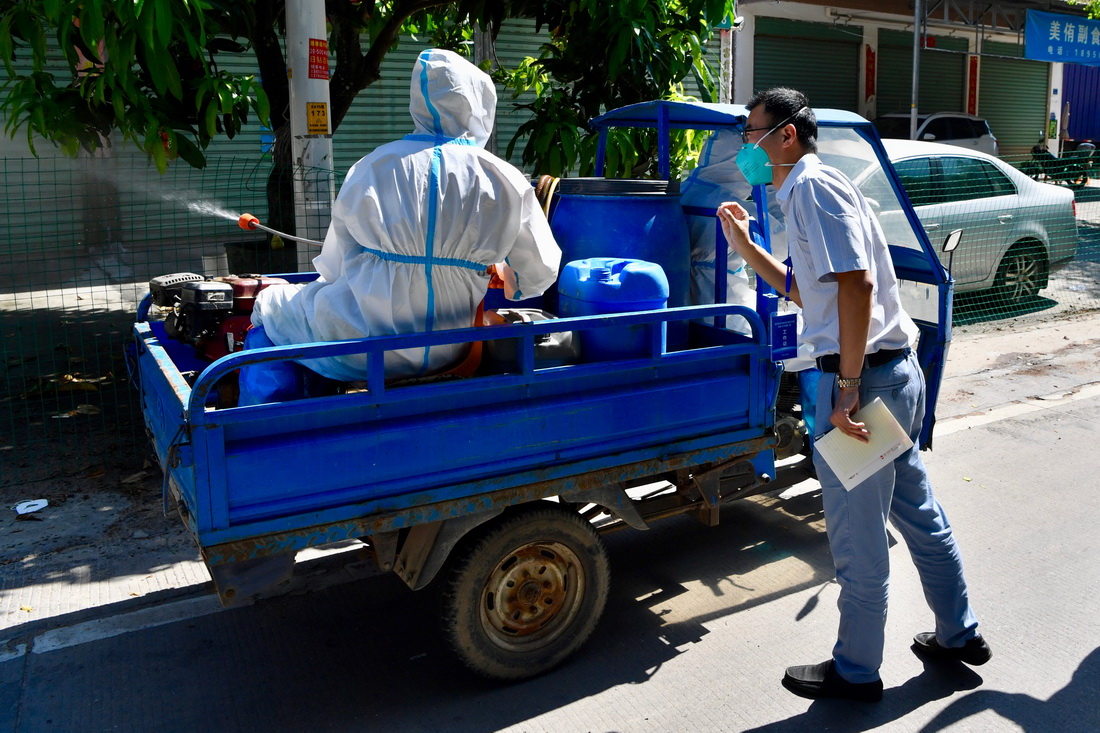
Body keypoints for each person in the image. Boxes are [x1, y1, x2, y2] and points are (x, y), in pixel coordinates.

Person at [717, 87, 990, 703]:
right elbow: (806, 289)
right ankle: (960, 632)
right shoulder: (813, 189)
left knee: (857, 536)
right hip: (885, 377)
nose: (746, 146)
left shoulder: (813, 188)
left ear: (786, 134)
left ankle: (856, 671)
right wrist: (744, 248)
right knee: (917, 512)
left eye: (751, 132)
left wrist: (843, 387)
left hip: (863, 385)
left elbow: (856, 286)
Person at [247, 48, 561, 391]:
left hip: (360, 349)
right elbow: (540, 272)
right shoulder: (504, 178)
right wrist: (508, 278)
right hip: (452, 352)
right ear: (480, 105)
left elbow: (334, 269)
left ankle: (252, 427)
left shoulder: (373, 166)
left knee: (268, 306)